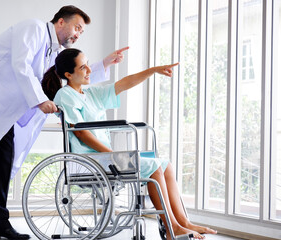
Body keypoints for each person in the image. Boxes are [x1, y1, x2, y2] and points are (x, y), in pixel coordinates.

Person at [0, 5, 129, 240]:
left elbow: (69, 75)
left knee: (1, 165)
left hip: (4, 113)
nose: (78, 34)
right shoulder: (33, 29)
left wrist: (103, 65)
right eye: (77, 27)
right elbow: (22, 64)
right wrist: (40, 101)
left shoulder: (53, 51)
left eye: (81, 32)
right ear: (61, 22)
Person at [42, 48, 218, 239]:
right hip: (91, 160)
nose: (89, 71)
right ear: (68, 74)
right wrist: (111, 154)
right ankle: (171, 227)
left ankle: (184, 222)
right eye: (83, 67)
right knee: (153, 168)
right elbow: (81, 133)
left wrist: (153, 70)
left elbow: (124, 84)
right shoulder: (65, 95)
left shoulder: (90, 93)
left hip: (104, 157)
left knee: (165, 165)